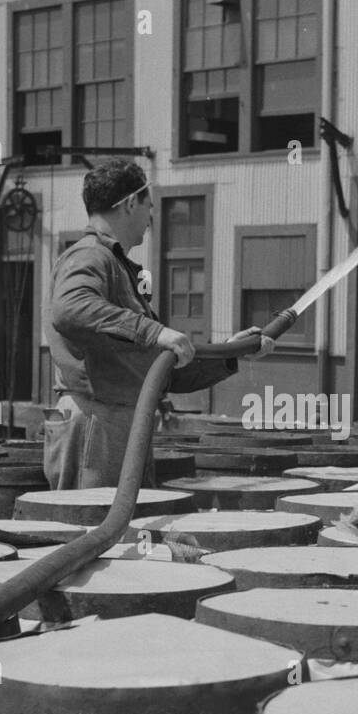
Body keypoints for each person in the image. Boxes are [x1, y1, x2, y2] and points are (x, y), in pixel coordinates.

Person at [43, 158, 275, 490]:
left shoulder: (113, 264)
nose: (151, 218)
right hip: (97, 420)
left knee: (120, 531)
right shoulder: (90, 256)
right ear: (129, 204)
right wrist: (155, 331)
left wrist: (231, 353)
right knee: (95, 529)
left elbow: (158, 369)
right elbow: (70, 308)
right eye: (148, 206)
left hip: (117, 421)